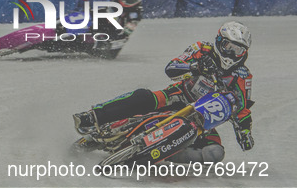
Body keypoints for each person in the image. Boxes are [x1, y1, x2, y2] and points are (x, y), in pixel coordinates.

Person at [73, 21, 254, 163]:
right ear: (219, 42)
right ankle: (93, 116)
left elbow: (242, 108)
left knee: (215, 153)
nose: (231, 54)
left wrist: (245, 133)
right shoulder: (201, 49)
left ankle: (165, 155)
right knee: (144, 97)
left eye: (237, 50)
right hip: (176, 96)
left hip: (203, 118)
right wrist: (195, 66)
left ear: (244, 53)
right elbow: (172, 67)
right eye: (229, 47)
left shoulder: (243, 76)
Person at [65, 0, 148, 59]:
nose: (127, 0)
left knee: (108, 55)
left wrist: (114, 41)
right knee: (94, 13)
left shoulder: (136, 12)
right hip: (108, 13)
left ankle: (80, 44)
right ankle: (64, 26)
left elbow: (126, 32)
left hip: (117, 28)